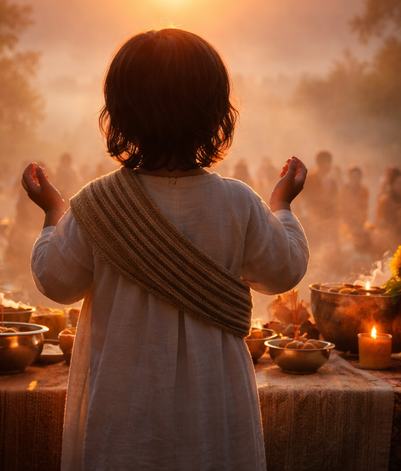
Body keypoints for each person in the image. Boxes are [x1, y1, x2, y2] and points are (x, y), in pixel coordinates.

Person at [23, 28, 309, 471]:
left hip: (124, 416)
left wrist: (52, 213)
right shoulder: (238, 203)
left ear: (119, 113)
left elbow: (57, 280)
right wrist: (283, 205)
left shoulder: (96, 204)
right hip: (214, 411)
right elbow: (283, 271)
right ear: (216, 114)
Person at [339, 165, 369, 250]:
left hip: (360, 223)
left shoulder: (364, 190)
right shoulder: (344, 191)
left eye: (357, 176)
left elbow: (365, 207)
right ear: (349, 177)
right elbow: (342, 207)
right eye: (353, 176)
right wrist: (348, 219)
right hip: (347, 223)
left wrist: (361, 219)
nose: (355, 179)